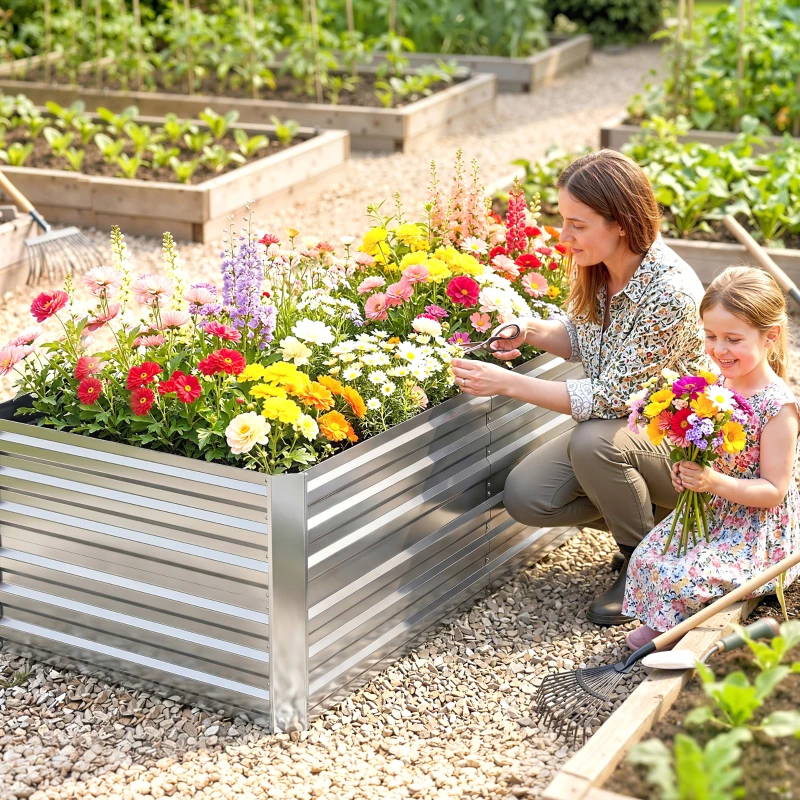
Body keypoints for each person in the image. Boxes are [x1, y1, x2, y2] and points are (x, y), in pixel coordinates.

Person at [450, 149, 710, 625]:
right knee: (528, 496)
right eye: (563, 220)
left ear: (622, 223)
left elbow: (611, 397)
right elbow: (581, 336)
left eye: (578, 224)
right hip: (629, 433)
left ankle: (643, 567)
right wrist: (528, 329)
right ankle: (668, 533)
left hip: (687, 451)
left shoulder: (670, 293)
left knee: (592, 442)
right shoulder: (605, 268)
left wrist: (507, 383)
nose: (564, 237)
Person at [623, 267, 800, 649]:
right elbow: (706, 450)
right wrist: (684, 469)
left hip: (755, 530)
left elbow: (773, 491)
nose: (719, 349)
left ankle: (677, 627)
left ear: (770, 336)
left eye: (733, 339)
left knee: (683, 575)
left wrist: (713, 482)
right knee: (646, 557)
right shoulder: (718, 386)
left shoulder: (778, 407)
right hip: (714, 512)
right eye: (711, 335)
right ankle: (670, 618)